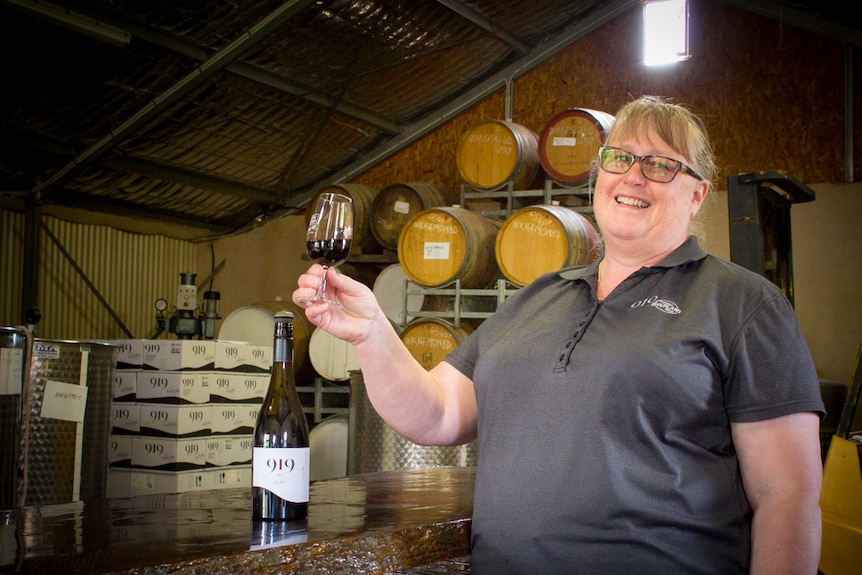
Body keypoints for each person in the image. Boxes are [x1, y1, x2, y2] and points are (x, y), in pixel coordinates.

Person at [294, 95, 825, 575]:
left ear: (696, 195)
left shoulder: (741, 303)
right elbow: (436, 413)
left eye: (661, 165)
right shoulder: (538, 295)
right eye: (619, 158)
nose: (634, 176)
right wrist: (371, 333)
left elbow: (788, 494)